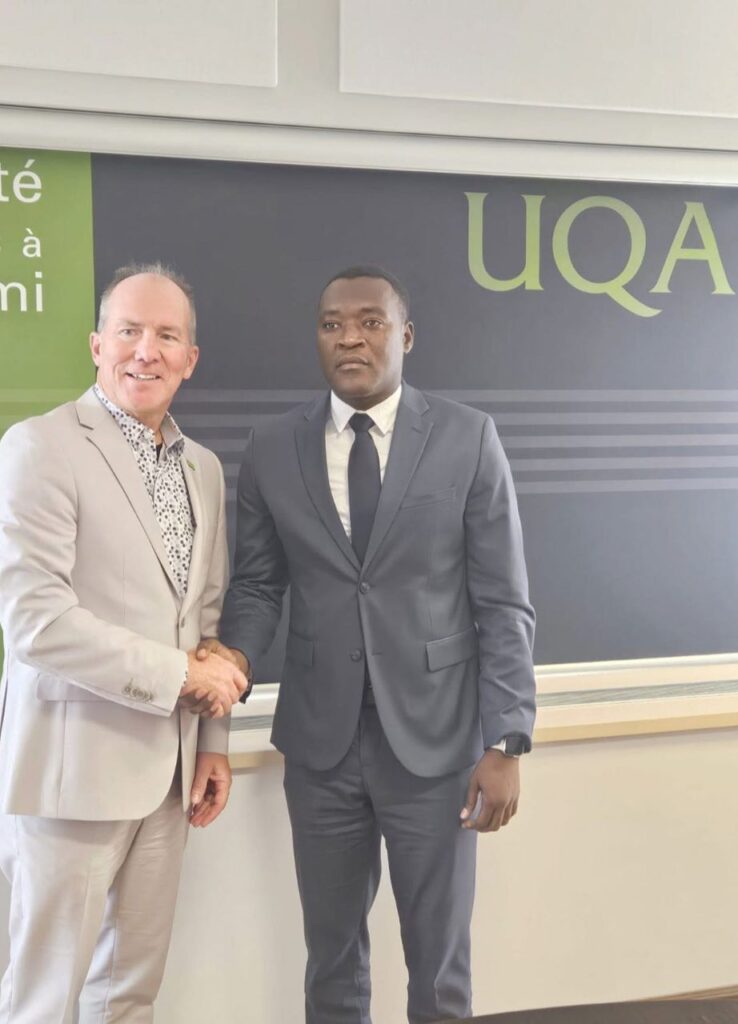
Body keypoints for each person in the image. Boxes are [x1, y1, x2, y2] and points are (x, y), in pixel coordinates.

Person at [201, 265, 536, 1023]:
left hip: (437, 747)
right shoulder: (273, 446)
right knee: (332, 961)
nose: (349, 337)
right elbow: (257, 585)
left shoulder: (467, 437)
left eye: (370, 322)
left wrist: (507, 740)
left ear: (405, 336)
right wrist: (236, 658)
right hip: (321, 749)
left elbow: (502, 601)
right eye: (332, 325)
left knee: (438, 965)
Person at [0, 263, 247, 1023]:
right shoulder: (40, 447)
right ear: (98, 345)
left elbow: (207, 615)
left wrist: (213, 741)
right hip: (70, 778)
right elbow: (38, 622)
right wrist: (181, 678)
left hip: (170, 778)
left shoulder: (203, 469)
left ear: (190, 359)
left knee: (129, 994)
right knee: (44, 1001)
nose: (146, 350)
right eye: (129, 331)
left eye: (167, 335)